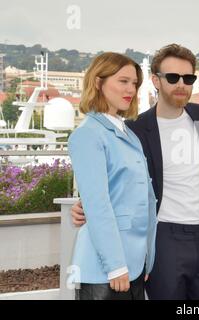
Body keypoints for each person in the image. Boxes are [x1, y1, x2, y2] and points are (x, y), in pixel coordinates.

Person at [72, 44, 199, 300]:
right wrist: (86, 204)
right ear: (156, 80)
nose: (181, 84)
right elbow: (109, 184)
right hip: (164, 239)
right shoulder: (134, 129)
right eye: (172, 77)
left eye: (188, 78)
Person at [68, 52, 157, 300]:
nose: (131, 89)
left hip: (136, 265)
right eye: (123, 81)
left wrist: (146, 258)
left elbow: (142, 199)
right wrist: (116, 265)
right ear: (98, 82)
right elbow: (97, 205)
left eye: (135, 83)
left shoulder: (129, 134)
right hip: (105, 271)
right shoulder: (88, 134)